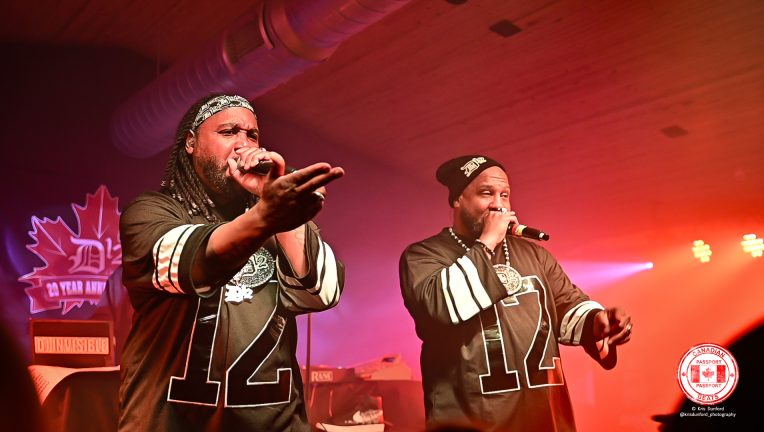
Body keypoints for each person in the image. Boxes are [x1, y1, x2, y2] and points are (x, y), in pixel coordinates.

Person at [118, 94, 345, 431]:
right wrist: (265, 217)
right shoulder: (153, 212)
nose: (243, 144)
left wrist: (279, 210)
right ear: (191, 143)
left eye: (252, 135)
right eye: (228, 132)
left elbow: (323, 293)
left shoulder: (275, 217)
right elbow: (197, 263)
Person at [399, 155, 632, 431]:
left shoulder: (535, 255)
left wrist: (597, 322)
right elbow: (440, 306)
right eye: (486, 193)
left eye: (505, 195)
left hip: (544, 420)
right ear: (457, 199)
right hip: (469, 422)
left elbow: (567, 306)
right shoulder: (424, 255)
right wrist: (488, 241)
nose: (498, 204)